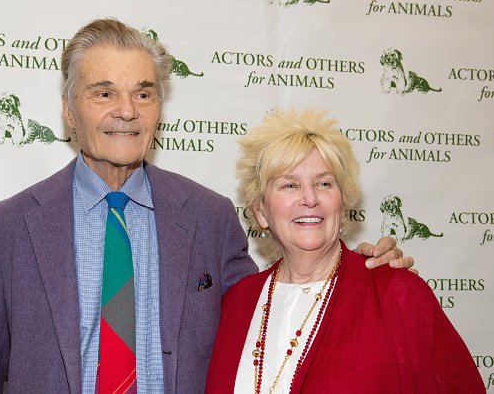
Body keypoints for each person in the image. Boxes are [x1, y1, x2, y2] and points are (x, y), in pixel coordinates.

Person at [0, 19, 411, 394]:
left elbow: (272, 312)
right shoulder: (6, 229)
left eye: (144, 93)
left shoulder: (209, 217)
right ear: (70, 111)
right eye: (104, 92)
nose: (127, 110)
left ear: (158, 110)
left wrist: (358, 275)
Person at [205, 109, 484, 393]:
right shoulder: (237, 301)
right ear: (261, 211)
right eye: (289, 185)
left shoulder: (396, 293)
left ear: (343, 201)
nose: (310, 198)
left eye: (324, 183)